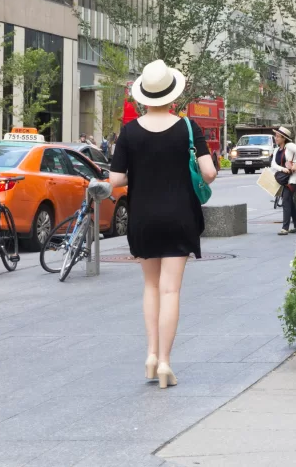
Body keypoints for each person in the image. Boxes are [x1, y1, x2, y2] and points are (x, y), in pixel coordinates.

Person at [108, 60, 218, 390]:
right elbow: (209, 173)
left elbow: (115, 180)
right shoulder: (188, 128)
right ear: (173, 95)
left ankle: (151, 355)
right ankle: (166, 362)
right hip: (179, 216)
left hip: (143, 217)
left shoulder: (129, 132)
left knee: (151, 287)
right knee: (171, 289)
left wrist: (142, 172)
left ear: (144, 96)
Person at [272, 126, 296, 235]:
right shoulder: (276, 149)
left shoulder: (289, 146)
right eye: (275, 136)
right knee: (289, 201)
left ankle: (285, 228)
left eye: (278, 136)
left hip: (292, 179)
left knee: (286, 200)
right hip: (283, 178)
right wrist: (283, 169)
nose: (276, 138)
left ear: (284, 138)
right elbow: (273, 164)